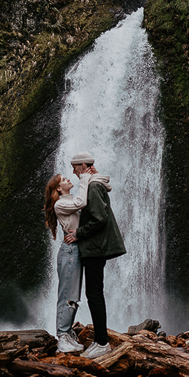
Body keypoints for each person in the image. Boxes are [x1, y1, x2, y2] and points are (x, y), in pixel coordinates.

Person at [64, 150, 125, 359]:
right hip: (94, 248)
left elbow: (100, 218)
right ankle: (100, 340)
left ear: (83, 166)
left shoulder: (93, 186)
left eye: (74, 167)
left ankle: (101, 342)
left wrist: (78, 233)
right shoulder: (92, 184)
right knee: (94, 294)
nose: (72, 172)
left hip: (95, 248)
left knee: (95, 294)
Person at [43, 170, 101, 353]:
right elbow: (81, 202)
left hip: (77, 249)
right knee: (67, 294)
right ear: (59, 189)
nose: (69, 179)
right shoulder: (61, 204)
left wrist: (95, 177)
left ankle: (67, 334)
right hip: (69, 251)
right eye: (64, 180)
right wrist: (84, 177)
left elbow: (85, 202)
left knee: (73, 296)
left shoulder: (69, 201)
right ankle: (62, 337)